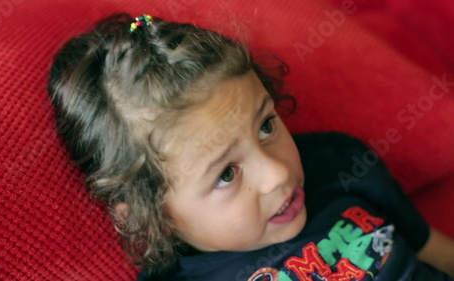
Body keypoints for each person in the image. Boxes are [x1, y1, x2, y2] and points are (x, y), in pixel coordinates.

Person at [47, 13, 454, 280]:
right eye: (226, 173)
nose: (277, 173)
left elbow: (435, 251)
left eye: (265, 126)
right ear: (152, 215)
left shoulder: (342, 165)